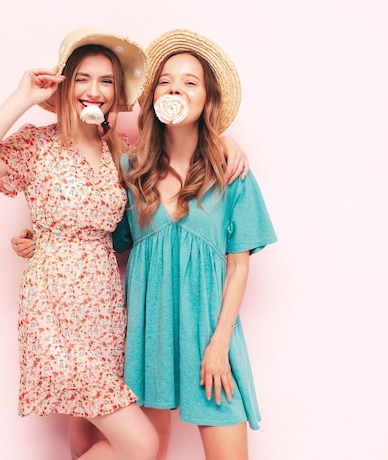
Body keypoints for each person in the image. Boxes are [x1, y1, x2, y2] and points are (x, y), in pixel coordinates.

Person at [0, 27, 160, 460]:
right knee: (143, 446)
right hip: (56, 309)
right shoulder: (36, 144)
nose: (93, 91)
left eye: (106, 81)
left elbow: (138, 213)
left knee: (88, 439)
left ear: (117, 94)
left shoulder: (120, 150)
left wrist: (226, 144)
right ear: (64, 86)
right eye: (82, 78)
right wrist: (21, 98)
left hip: (104, 309)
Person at [116, 29, 278, 460]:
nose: (176, 88)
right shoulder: (131, 171)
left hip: (211, 335)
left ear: (207, 100)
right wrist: (42, 236)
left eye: (190, 81)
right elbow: (99, 234)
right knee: (148, 451)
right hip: (150, 336)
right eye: (167, 80)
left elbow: (239, 264)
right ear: (154, 97)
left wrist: (219, 343)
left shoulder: (231, 171)